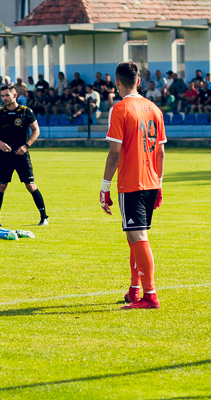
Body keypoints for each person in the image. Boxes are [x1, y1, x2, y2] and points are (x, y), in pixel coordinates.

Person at [100, 61, 166, 309]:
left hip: (131, 183)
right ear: (139, 81)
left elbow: (114, 153)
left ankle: (150, 295)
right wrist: (159, 184)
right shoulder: (154, 109)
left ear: (117, 83)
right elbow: (160, 152)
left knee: (137, 235)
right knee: (133, 236)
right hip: (150, 182)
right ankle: (134, 289)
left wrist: (105, 185)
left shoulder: (120, 109)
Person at [0, 85, 48, 227]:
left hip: (21, 155)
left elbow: (36, 130)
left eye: (7, 95)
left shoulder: (25, 111)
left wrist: (26, 145)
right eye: (2, 96)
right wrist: (0, 143)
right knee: (1, 186)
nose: (4, 98)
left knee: (31, 185)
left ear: (15, 96)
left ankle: (44, 217)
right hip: (5, 156)